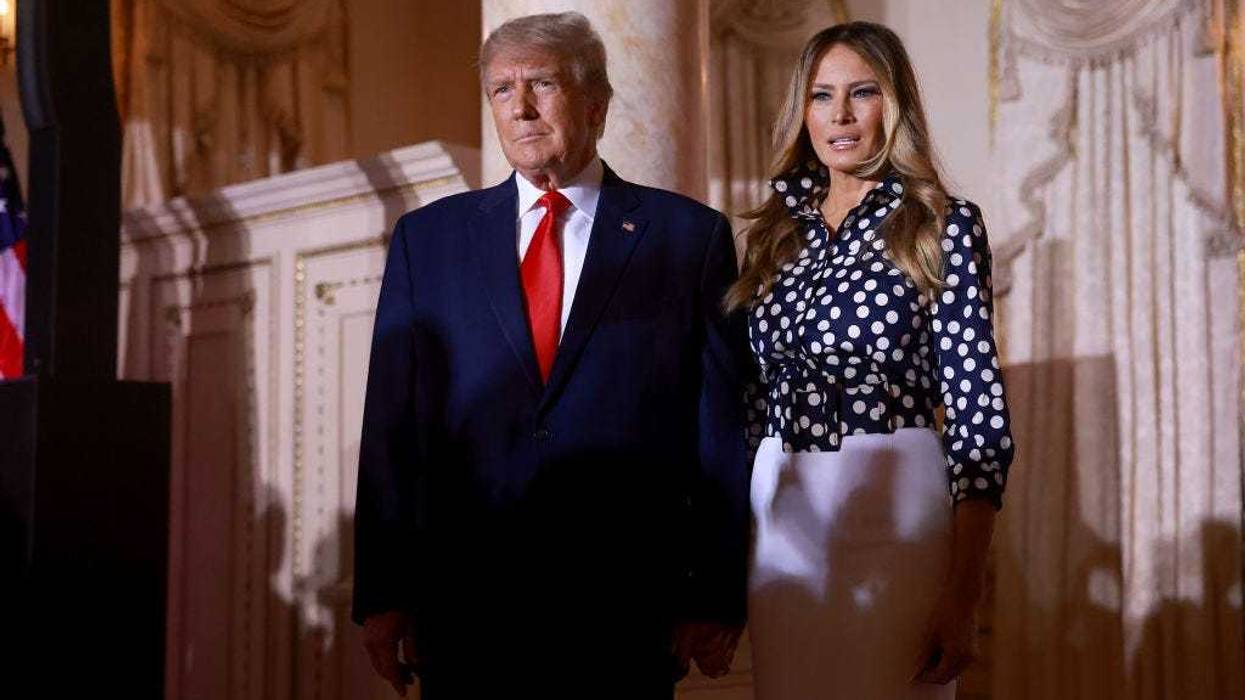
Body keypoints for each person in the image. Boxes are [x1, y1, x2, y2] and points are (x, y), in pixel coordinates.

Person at [351, 11, 750, 699]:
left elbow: (719, 428)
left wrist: (713, 592)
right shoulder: (429, 241)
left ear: (595, 103)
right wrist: (384, 592)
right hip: (465, 606)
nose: (522, 107)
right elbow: (393, 428)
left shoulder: (688, 239)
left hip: (624, 608)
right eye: (502, 90)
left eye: (541, 83)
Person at [726, 21, 1015, 699]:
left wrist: (964, 595)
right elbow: (745, 403)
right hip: (780, 517)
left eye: (863, 93)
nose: (842, 115)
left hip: (894, 503)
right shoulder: (771, 234)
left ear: (895, 104)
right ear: (802, 111)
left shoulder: (940, 222)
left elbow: (977, 415)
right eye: (822, 96)